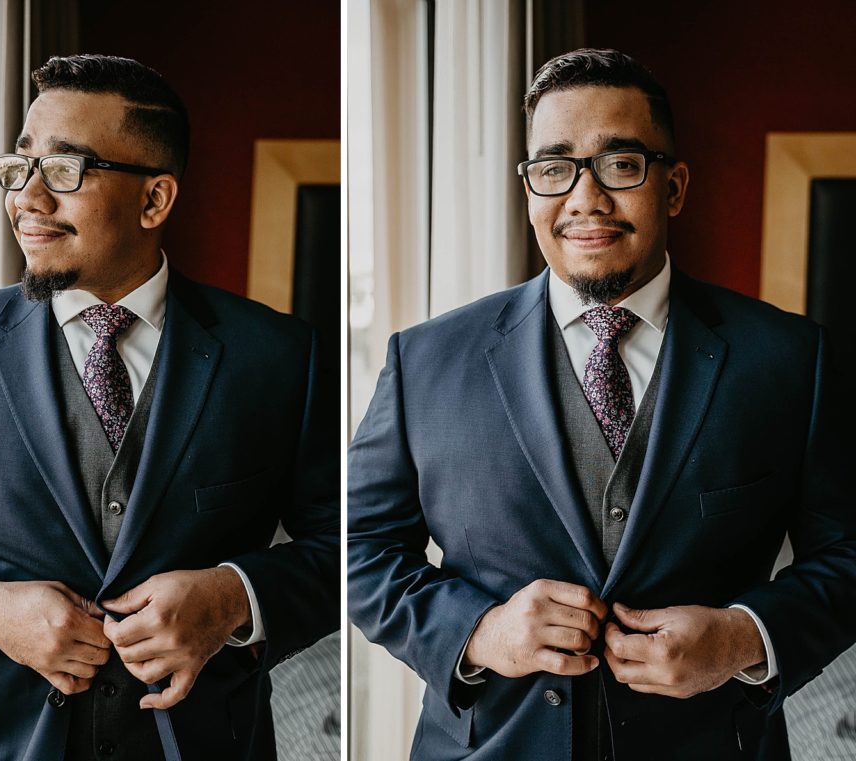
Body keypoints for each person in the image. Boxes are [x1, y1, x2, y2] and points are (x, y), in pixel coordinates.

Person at [348, 48, 856, 761]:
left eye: (621, 164)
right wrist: (480, 630)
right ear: (528, 189)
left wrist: (746, 636)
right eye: (554, 168)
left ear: (674, 186)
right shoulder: (423, 360)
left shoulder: (791, 359)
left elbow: (848, 554)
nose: (584, 198)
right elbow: (355, 545)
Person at [0, 54, 338, 761]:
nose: (28, 199)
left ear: (155, 199)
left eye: (65, 170)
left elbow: (350, 545)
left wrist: (234, 597)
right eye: (20, 166)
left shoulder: (281, 356)